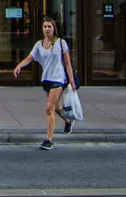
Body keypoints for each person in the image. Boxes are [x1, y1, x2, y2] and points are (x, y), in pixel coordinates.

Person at [12, 16, 78, 150]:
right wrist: (19, 65)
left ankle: (49, 140)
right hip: (46, 79)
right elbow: (29, 58)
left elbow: (68, 63)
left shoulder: (60, 43)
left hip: (59, 79)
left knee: (49, 108)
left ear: (54, 29)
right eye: (45, 27)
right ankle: (68, 121)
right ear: (42, 29)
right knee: (56, 107)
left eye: (49, 26)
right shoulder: (39, 44)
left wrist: (71, 80)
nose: (47, 29)